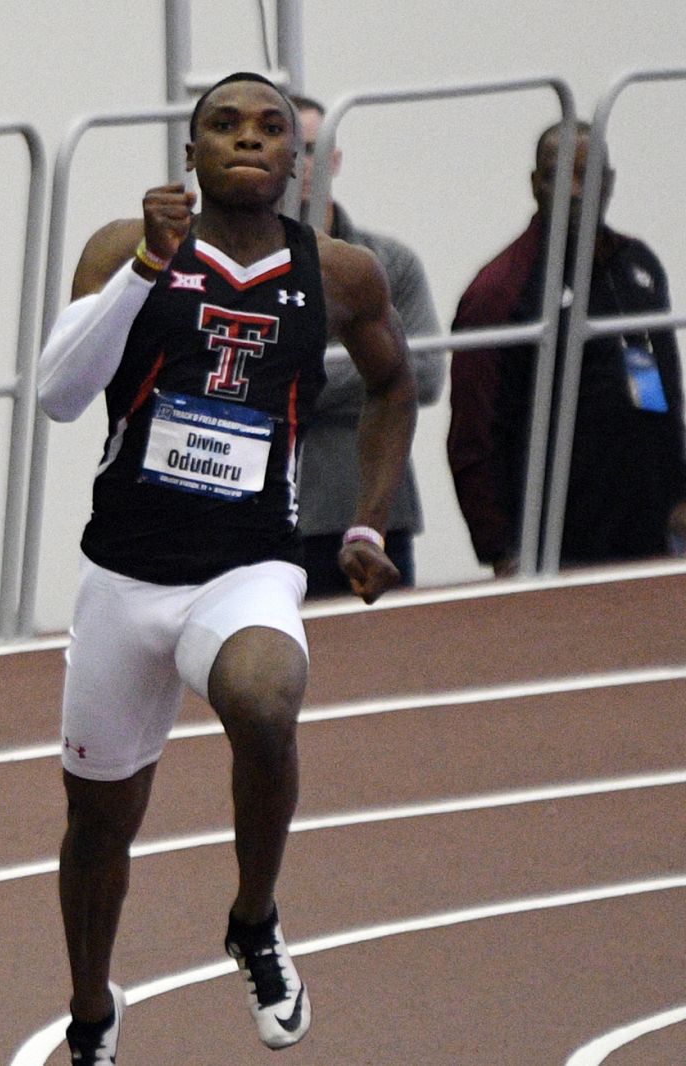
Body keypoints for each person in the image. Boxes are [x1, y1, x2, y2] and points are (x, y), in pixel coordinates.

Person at [35, 73, 415, 1064]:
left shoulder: (338, 273)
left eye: (268, 128)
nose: (246, 140)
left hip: (246, 567)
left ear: (295, 156)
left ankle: (251, 921)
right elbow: (56, 395)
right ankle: (88, 1010)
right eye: (222, 125)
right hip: (122, 578)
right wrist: (142, 271)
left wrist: (366, 523)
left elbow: (391, 384)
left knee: (265, 695)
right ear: (190, 148)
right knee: (97, 827)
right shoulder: (124, 248)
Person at [447, 119, 686, 575]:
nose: (576, 190)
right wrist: (499, 548)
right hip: (555, 543)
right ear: (536, 184)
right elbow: (474, 433)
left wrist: (679, 492)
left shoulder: (637, 266)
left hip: (652, 532)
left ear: (610, 181)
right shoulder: (501, 290)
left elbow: (663, 388)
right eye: (560, 176)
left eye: (589, 174)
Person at [290, 94, 445, 597]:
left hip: (380, 518)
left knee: (392, 665)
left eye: (313, 149)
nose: (302, 165)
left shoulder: (389, 262)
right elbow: (251, 384)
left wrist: (305, 381)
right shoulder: (243, 271)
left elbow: (422, 376)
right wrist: (377, 375)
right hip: (278, 523)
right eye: (290, 150)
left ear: (336, 158)